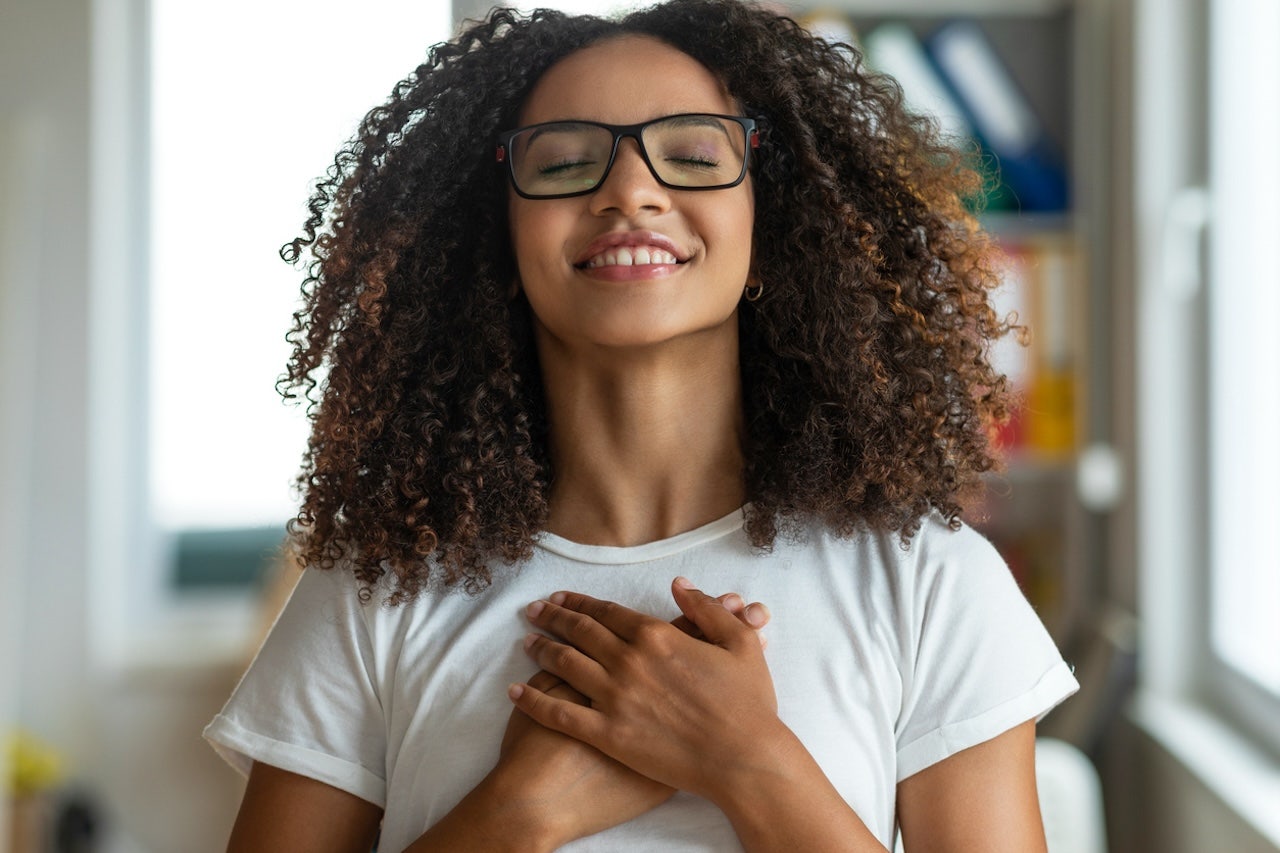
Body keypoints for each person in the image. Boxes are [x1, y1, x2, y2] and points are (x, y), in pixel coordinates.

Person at [205, 1, 1078, 850]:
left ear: (767, 227)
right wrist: (518, 815)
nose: (631, 191)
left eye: (693, 156)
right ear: (496, 240)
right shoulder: (375, 585)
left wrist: (750, 761)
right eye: (562, 163)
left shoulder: (930, 582)